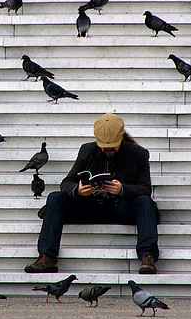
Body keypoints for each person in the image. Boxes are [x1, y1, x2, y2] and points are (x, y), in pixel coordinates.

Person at [24, 113, 159, 274]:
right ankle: (47, 257)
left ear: (121, 138)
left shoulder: (139, 153)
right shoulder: (87, 150)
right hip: (91, 207)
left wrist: (122, 189)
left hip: (121, 208)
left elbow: (145, 188)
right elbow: (67, 182)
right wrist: (79, 190)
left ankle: (148, 256)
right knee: (55, 198)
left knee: (145, 202)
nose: (108, 150)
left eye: (112, 146)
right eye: (105, 147)